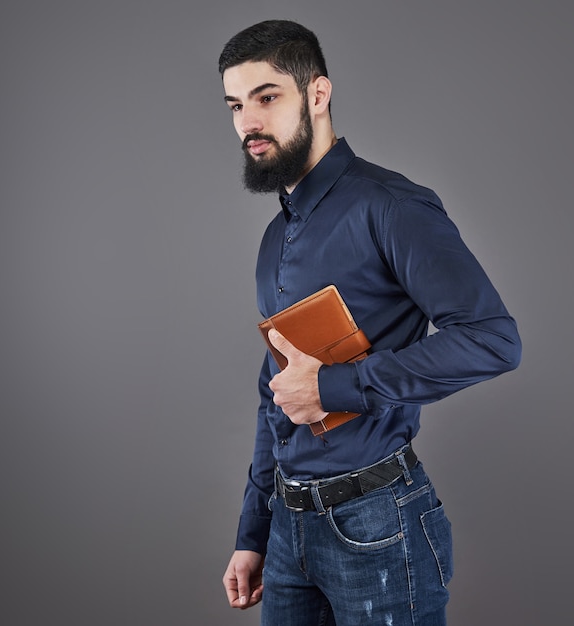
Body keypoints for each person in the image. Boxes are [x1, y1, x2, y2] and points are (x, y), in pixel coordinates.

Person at [218, 20, 521, 626]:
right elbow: (272, 392)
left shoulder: (392, 205)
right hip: (286, 535)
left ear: (318, 95)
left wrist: (332, 387)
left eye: (267, 97)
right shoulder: (276, 236)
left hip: (378, 524)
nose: (248, 122)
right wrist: (253, 530)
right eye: (235, 105)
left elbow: (493, 340)